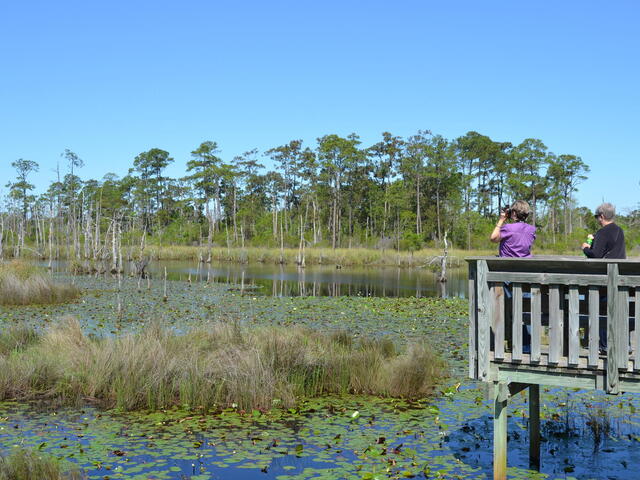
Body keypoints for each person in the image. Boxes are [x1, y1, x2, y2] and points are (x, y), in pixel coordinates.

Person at [490, 200, 536, 353]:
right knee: (526, 310)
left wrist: (502, 219)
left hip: (508, 276)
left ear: (514, 213)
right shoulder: (531, 229)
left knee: (510, 310)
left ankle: (513, 344)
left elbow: (494, 238)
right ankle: (527, 346)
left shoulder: (508, 227)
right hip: (526, 275)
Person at [581, 203, 626, 352]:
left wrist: (586, 248)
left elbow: (596, 255)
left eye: (597, 217)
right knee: (617, 312)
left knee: (601, 312)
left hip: (604, 279)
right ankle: (624, 344)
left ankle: (604, 345)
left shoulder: (602, 232)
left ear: (601, 216)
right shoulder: (619, 230)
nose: (597, 220)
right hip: (620, 277)